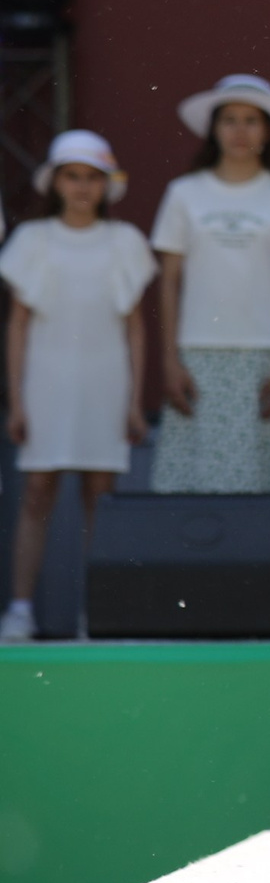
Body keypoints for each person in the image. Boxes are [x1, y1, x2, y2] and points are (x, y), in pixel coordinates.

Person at [1, 132, 155, 643]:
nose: (83, 187)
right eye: (73, 176)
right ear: (56, 182)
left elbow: (134, 326)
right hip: (47, 381)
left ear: (106, 185)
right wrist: (17, 398)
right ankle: (21, 609)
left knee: (99, 495)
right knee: (38, 492)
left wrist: (135, 402)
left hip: (105, 381)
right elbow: (19, 325)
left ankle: (98, 612)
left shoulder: (125, 241)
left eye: (93, 177)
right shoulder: (34, 239)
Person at [149, 74, 270, 494]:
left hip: (263, 356)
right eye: (229, 120)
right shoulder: (184, 193)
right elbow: (168, 282)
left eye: (251, 120)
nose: (240, 131)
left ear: (267, 131)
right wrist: (170, 359)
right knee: (193, 482)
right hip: (198, 354)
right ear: (213, 129)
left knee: (257, 484)